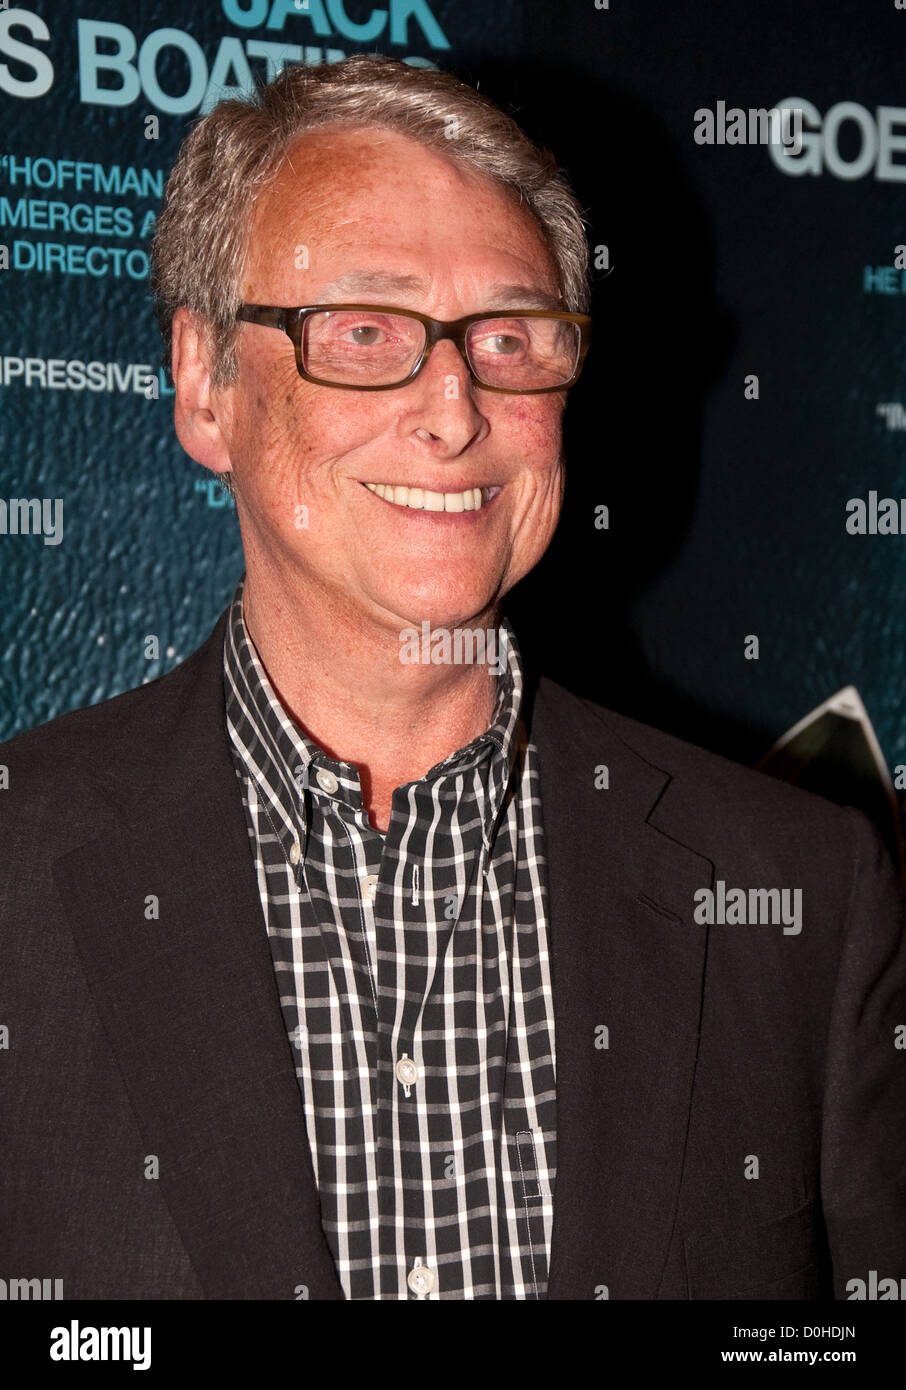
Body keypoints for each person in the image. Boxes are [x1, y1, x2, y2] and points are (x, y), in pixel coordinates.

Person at [0, 55, 903, 1302]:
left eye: (510, 336)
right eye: (366, 331)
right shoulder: (15, 878)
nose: (453, 405)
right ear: (204, 381)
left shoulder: (799, 890)